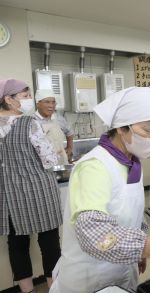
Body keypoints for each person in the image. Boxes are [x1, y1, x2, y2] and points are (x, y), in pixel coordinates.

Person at [49, 87, 150, 293]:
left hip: (121, 270)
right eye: (148, 130)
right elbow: (93, 232)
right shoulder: (94, 166)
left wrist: (138, 253)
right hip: (90, 278)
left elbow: (133, 213)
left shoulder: (130, 160)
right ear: (121, 127)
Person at [0, 79, 62, 293]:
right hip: (39, 190)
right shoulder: (29, 123)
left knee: (17, 244)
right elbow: (50, 160)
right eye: (25, 96)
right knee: (49, 242)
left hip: (8, 195)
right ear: (9, 99)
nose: (29, 100)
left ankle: (28, 291)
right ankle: (54, 288)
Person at [33, 89, 74, 165]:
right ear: (38, 104)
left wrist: (69, 148)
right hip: (42, 164)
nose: (51, 105)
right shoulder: (33, 121)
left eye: (53, 102)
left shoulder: (58, 118)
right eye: (47, 102)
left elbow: (69, 132)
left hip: (60, 161)